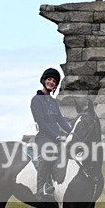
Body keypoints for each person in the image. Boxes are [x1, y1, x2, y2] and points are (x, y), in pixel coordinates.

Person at [31, 68, 72, 200]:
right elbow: (41, 123)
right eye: (49, 79)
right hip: (44, 137)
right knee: (49, 152)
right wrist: (56, 136)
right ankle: (41, 188)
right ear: (44, 80)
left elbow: (61, 121)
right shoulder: (36, 100)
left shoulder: (54, 102)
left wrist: (73, 132)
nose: (51, 82)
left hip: (56, 137)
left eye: (54, 81)